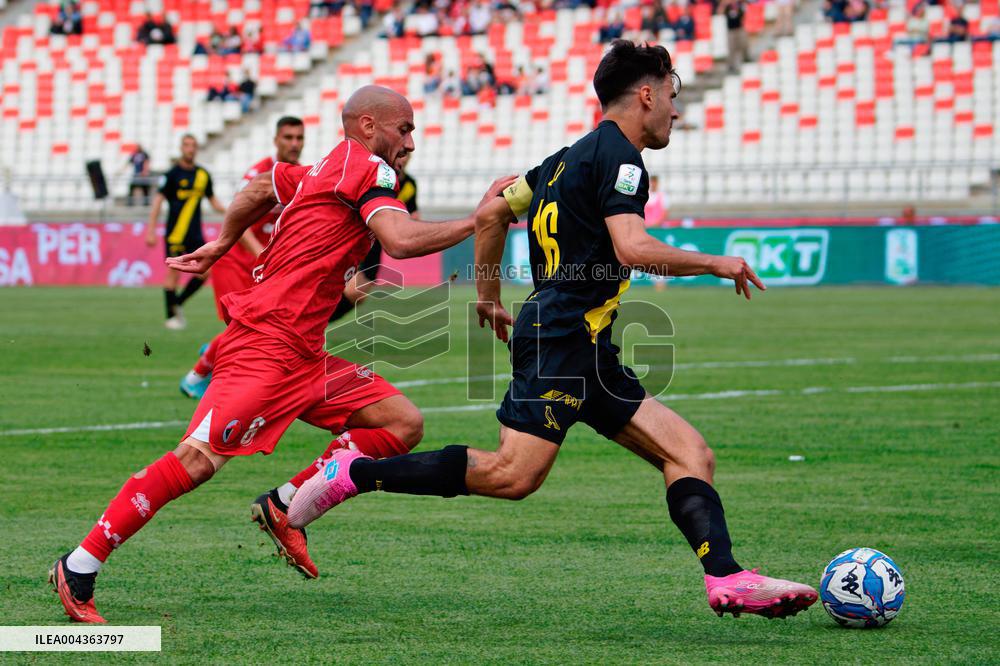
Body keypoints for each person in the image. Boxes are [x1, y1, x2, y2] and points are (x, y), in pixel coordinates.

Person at [289, 41, 819, 620]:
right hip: (562, 338)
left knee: (690, 452)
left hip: (585, 344)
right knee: (512, 475)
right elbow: (632, 247)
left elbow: (493, 209)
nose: (675, 109)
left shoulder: (564, 160)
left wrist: (489, 297)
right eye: (672, 95)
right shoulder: (620, 162)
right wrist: (717, 263)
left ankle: (726, 577)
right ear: (646, 94)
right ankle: (354, 471)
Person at [49, 86, 514, 622]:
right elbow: (401, 240)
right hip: (266, 345)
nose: (410, 140)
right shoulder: (369, 171)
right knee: (197, 460)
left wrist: (225, 240)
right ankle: (80, 564)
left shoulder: (321, 167)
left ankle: (285, 503)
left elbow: (259, 187)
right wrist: (482, 216)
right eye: (403, 128)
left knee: (400, 424)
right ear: (368, 125)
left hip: (303, 354)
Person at [179, 117, 306, 399]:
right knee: (246, 325)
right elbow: (240, 220)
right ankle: (197, 375)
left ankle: (216, 352)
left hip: (263, 264)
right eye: (288, 137)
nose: (294, 144)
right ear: (276, 140)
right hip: (235, 258)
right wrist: (265, 257)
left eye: (299, 138)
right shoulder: (260, 173)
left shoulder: (301, 176)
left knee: (257, 328)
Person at [144, 135, 226, 330]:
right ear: (181, 148)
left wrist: (233, 210)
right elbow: (157, 202)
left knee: (204, 273)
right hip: (175, 234)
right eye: (187, 145)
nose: (190, 149)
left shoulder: (203, 175)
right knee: (173, 273)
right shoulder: (172, 174)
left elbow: (213, 202)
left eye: (193, 146)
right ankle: (171, 317)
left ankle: (177, 303)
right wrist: (151, 230)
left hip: (195, 234)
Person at [329, 151, 420, 324]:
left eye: (406, 156)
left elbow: (414, 215)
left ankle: (317, 325)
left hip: (376, 243)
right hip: (356, 235)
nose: (403, 159)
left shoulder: (409, 185)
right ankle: (312, 326)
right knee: (340, 286)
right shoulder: (378, 176)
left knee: (358, 293)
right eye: (400, 155)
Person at [719, 0, 749, 72]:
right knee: (731, 48)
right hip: (731, 31)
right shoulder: (727, 7)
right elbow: (720, 12)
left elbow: (744, 13)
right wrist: (724, 4)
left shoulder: (739, 5)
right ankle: (731, 65)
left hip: (739, 28)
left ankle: (745, 59)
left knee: (743, 44)